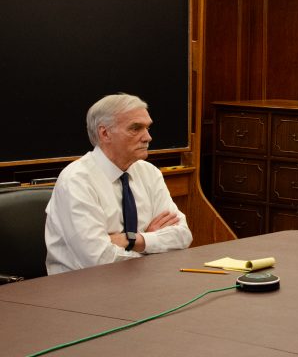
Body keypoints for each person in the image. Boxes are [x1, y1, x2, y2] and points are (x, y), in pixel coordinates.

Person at [45, 93, 193, 274]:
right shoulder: (76, 180)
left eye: (147, 128)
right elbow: (99, 259)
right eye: (135, 128)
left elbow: (183, 236)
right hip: (81, 289)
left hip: (141, 284)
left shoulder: (149, 172)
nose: (148, 137)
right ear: (105, 133)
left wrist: (133, 240)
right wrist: (152, 244)